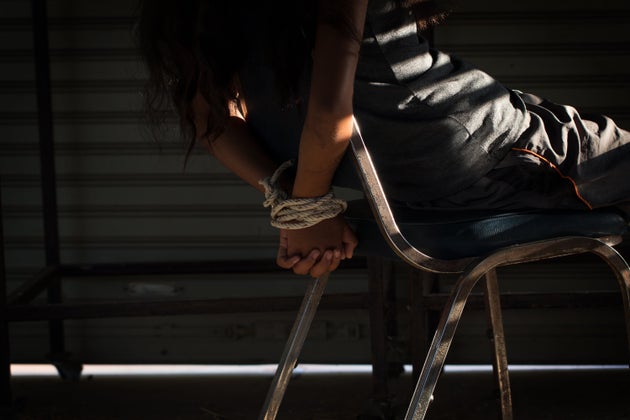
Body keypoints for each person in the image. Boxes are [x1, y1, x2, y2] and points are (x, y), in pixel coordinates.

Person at [136, 0, 630, 278]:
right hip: (497, 155)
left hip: (447, 170)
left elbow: (213, 124)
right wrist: (306, 209)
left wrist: (297, 206)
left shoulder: (185, 13)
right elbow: (331, 112)